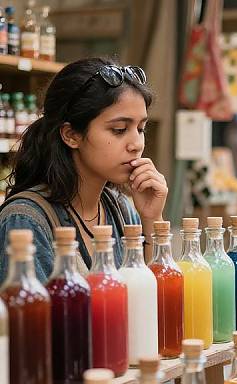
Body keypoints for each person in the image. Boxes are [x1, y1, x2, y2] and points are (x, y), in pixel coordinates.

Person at [0, 57, 168, 283]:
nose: (136, 143)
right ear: (71, 135)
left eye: (141, 128)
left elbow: (157, 306)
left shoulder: (121, 210)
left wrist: (152, 218)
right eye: (119, 129)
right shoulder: (26, 220)